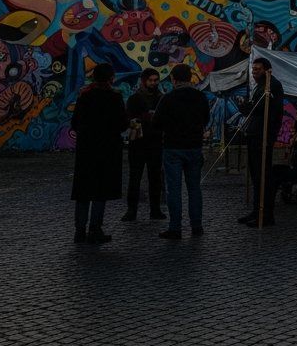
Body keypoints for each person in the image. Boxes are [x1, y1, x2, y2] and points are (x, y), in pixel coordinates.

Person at [70, 63, 128, 245]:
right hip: (107, 148)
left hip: (86, 149)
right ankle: (95, 228)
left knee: (83, 191)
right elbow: (122, 123)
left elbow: (75, 122)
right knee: (100, 191)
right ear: (110, 78)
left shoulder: (84, 95)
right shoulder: (114, 97)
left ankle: (79, 230)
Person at [152, 63, 209, 240]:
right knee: (194, 189)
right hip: (194, 146)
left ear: (173, 79)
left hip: (173, 147)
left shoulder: (168, 99)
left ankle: (175, 227)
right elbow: (206, 118)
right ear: (190, 77)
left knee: (173, 189)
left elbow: (156, 123)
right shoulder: (200, 97)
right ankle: (196, 225)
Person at [238, 57, 284, 227]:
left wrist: (269, 135)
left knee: (263, 175)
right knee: (256, 176)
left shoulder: (272, 85)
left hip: (263, 136)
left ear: (266, 70)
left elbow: (269, 111)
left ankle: (266, 214)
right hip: (254, 134)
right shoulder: (260, 86)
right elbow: (254, 108)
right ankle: (257, 210)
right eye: (253, 69)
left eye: (257, 69)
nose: (254, 72)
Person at [123, 68, 166, 221]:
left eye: (156, 80)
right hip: (138, 143)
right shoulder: (135, 99)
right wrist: (144, 118)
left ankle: (155, 209)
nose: (153, 83)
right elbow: (129, 119)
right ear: (144, 81)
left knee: (155, 179)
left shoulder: (161, 98)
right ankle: (131, 210)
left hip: (155, 143)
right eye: (151, 80)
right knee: (135, 178)